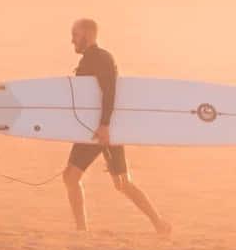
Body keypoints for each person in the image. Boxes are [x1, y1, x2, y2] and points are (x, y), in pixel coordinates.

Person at [63, 18, 171, 236]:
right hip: (100, 128)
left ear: (87, 34)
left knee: (72, 177)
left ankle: (82, 230)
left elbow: (110, 91)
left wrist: (104, 126)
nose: (71, 39)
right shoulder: (89, 59)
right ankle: (159, 224)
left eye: (75, 34)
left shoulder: (101, 58)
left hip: (101, 129)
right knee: (121, 183)